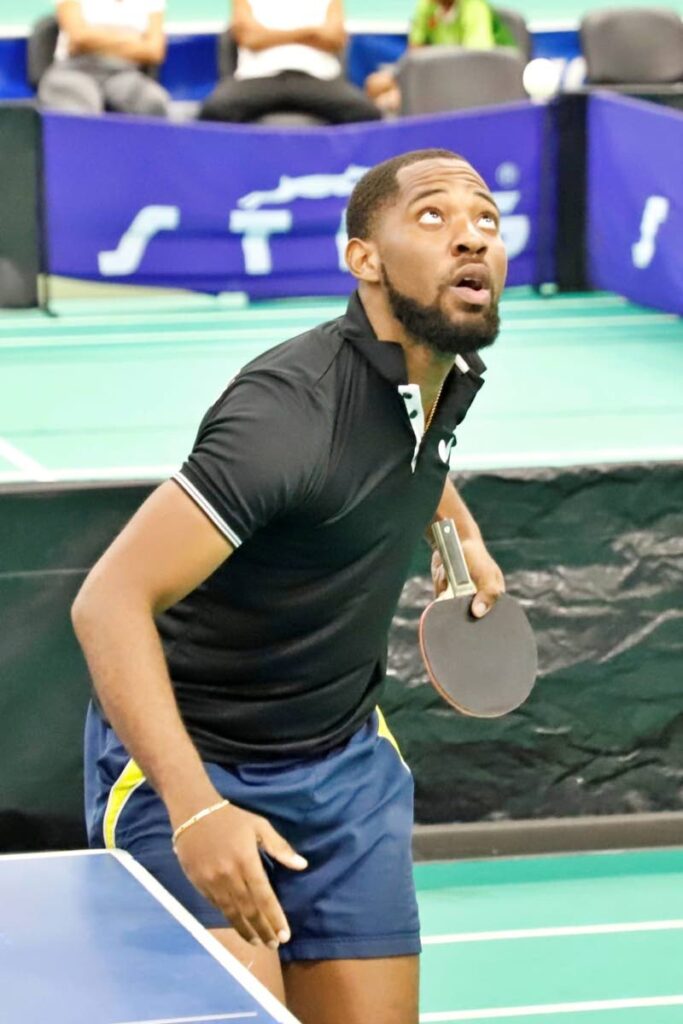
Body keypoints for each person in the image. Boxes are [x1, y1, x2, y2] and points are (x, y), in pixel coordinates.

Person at [72, 148, 508, 1024]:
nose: (469, 235)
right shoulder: (285, 411)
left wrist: (453, 527)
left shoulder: (442, 374)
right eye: (432, 216)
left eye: (486, 219)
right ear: (364, 260)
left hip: (343, 764)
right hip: (194, 765)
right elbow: (106, 602)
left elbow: (406, 447)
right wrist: (195, 813)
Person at [200, 0, 381, 124]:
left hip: (318, 80)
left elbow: (335, 37)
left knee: (367, 113)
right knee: (212, 111)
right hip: (258, 80)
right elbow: (249, 38)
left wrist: (268, 35)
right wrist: (311, 33)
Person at [366, 0, 515, 114]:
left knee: (399, 100)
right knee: (375, 84)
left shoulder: (473, 6)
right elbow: (415, 53)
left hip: (482, 79)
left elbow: (474, 63)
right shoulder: (427, 6)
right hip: (436, 73)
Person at [38, 0, 170, 117]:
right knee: (80, 110)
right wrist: (132, 39)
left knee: (153, 102)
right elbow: (78, 38)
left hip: (125, 73)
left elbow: (154, 51)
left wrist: (97, 38)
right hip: (75, 70)